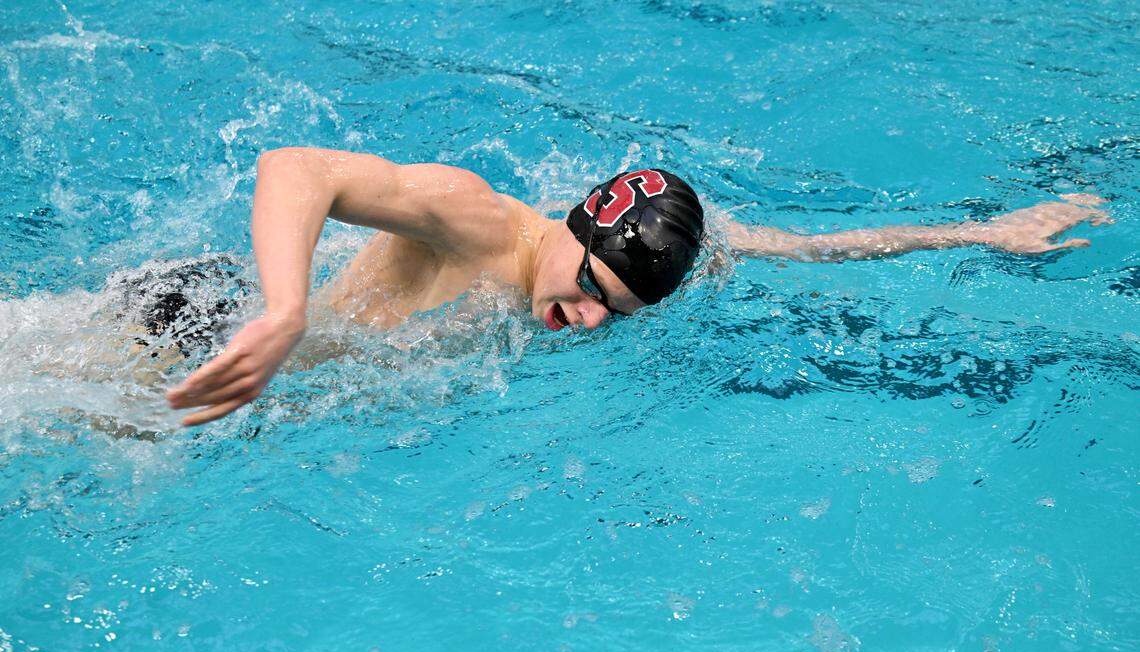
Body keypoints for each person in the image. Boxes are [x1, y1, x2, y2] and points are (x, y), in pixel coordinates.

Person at [164, 147, 1113, 426]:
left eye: (607, 314)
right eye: (585, 287)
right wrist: (285, 310)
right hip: (200, 325)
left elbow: (810, 245)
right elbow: (294, 169)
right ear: (574, 226)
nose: (579, 318)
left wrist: (983, 230)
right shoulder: (475, 216)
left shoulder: (640, 264)